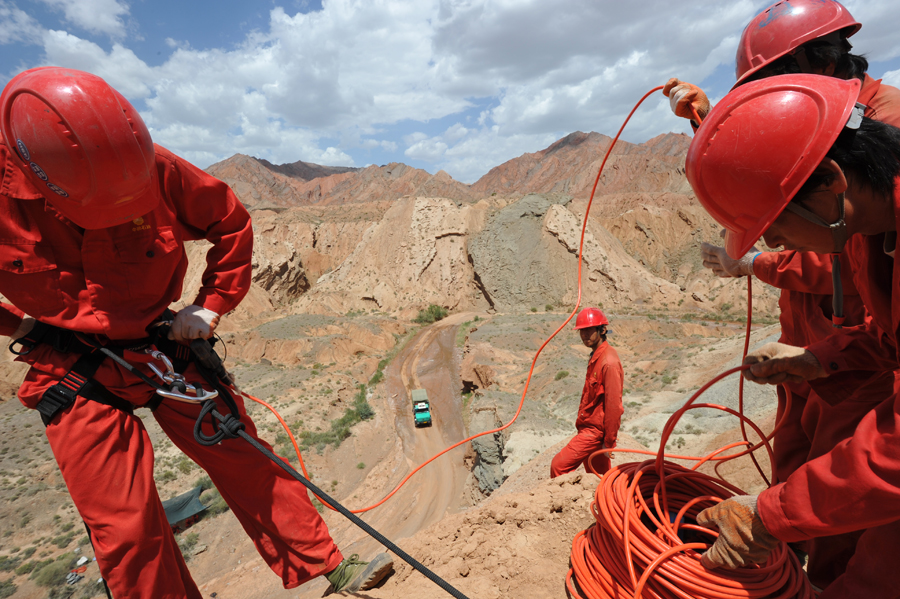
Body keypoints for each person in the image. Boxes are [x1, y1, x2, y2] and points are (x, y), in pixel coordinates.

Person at [0, 67, 393, 598]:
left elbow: (230, 223)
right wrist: (19, 324)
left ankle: (330, 570)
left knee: (247, 460)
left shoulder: (148, 167)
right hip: (71, 363)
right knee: (126, 528)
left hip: (164, 345)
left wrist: (209, 309)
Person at [664, 0, 900, 586]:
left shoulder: (863, 205)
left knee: (869, 568)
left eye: (776, 230)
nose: (769, 242)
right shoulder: (867, 220)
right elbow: (888, 335)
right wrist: (819, 357)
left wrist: (769, 516)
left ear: (831, 187)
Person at [550, 307, 624, 478]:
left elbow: (614, 406)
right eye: (582, 331)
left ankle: (563, 504)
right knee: (601, 478)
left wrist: (609, 442)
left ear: (602, 330)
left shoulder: (608, 362)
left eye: (589, 330)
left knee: (558, 467)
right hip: (590, 428)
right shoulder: (596, 356)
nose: (584, 335)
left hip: (594, 432)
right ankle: (606, 503)